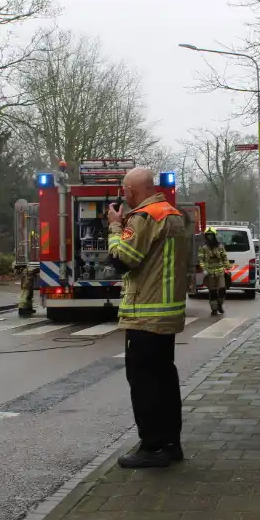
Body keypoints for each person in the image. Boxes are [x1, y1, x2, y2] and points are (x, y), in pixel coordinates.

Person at [106, 167, 190, 469]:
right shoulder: (173, 214)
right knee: (165, 379)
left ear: (129, 192)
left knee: (143, 383)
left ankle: (151, 447)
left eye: (124, 190)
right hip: (167, 313)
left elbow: (122, 259)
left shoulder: (144, 217)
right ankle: (170, 444)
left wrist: (115, 228)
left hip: (145, 315)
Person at [197, 227, 229, 317]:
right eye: (208, 235)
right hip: (210, 272)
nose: (210, 237)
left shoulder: (220, 246)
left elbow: (224, 258)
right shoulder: (203, 248)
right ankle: (214, 309)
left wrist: (227, 267)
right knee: (212, 291)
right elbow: (201, 260)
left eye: (211, 235)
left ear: (214, 236)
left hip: (220, 271)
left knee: (222, 289)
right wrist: (204, 269)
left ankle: (220, 304)